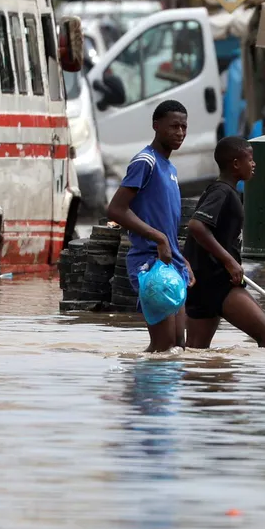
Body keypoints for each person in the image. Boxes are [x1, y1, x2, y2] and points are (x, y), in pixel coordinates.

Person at [106, 99, 194, 353]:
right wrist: (158, 239)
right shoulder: (146, 161)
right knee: (164, 347)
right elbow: (116, 209)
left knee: (177, 346)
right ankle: (136, 390)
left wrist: (181, 258)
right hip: (150, 263)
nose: (179, 133)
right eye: (173, 126)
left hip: (172, 264)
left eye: (184, 127)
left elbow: (164, 220)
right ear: (156, 126)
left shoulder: (171, 168)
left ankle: (138, 383)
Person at [183, 136, 265, 350]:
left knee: (196, 351)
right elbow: (197, 226)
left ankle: (203, 383)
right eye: (250, 159)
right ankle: (263, 380)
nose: (254, 164)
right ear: (236, 163)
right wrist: (229, 261)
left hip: (201, 283)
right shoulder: (222, 192)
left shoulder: (223, 191)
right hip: (216, 281)